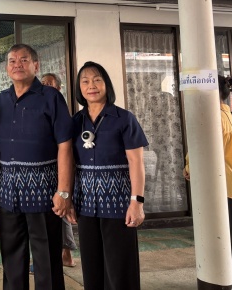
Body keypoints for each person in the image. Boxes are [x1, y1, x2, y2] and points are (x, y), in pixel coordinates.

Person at [0, 45, 75, 290]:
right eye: (12, 60)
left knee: (47, 260)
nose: (17, 64)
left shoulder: (51, 98)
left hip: (44, 194)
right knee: (11, 260)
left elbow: (65, 146)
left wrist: (64, 191)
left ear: (36, 65)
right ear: (6, 68)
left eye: (24, 60)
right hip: (7, 195)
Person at [72, 61, 148, 290]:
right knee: (92, 268)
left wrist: (137, 202)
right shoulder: (76, 122)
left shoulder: (124, 118)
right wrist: (70, 199)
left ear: (106, 84)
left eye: (97, 80)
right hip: (86, 205)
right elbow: (71, 163)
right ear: (79, 87)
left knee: (120, 270)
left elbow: (136, 162)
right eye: (85, 81)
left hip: (118, 205)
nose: (91, 86)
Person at [184, 75, 232, 290]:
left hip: (225, 185)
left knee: (231, 238)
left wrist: (189, 167)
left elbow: (204, 149)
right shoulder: (225, 113)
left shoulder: (216, 117)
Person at [41, 72, 78, 268]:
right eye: (43, 83)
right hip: (46, 172)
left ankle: (66, 254)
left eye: (49, 83)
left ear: (58, 88)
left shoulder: (59, 107)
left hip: (60, 170)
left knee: (61, 210)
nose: (45, 86)